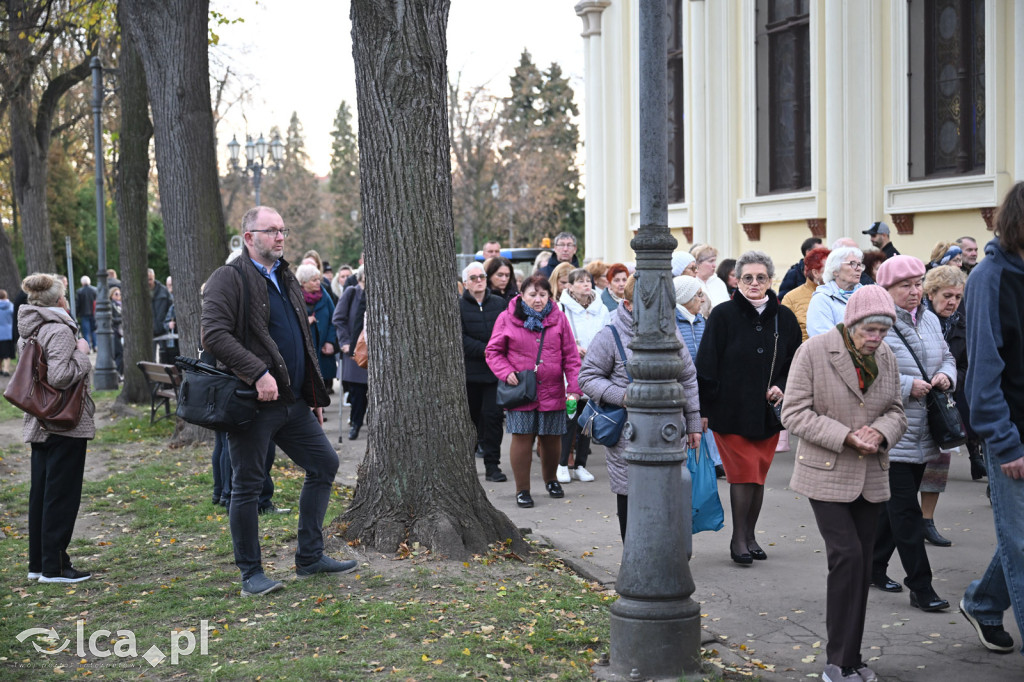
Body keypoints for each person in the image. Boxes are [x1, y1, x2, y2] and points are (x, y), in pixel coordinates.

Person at [202, 206, 353, 597]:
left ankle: (309, 557)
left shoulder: (284, 275)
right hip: (252, 402)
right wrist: (256, 372)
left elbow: (301, 337)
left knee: (324, 463)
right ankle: (251, 573)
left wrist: (313, 392)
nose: (281, 237)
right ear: (249, 237)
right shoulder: (229, 278)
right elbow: (214, 335)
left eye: (283, 230)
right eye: (271, 231)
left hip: (292, 401)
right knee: (247, 486)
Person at [783, 285, 907, 682]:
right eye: (870, 330)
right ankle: (836, 662)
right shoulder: (814, 351)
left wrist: (881, 432)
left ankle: (851, 659)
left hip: (870, 476)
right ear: (850, 323)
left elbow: (896, 410)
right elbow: (794, 412)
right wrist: (845, 435)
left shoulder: (885, 356)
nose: (876, 339)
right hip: (825, 472)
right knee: (848, 557)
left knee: (861, 562)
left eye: (883, 331)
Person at [696, 251, 802, 565]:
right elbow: (707, 363)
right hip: (730, 412)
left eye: (761, 278)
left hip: (767, 415)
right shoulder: (723, 314)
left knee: (758, 476)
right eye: (747, 278)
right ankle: (738, 539)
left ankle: (750, 535)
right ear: (737, 280)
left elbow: (794, 361)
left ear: (771, 281)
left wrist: (781, 385)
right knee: (742, 475)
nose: (754, 283)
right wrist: (701, 410)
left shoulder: (784, 318)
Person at [580, 275, 702, 540]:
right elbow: (587, 378)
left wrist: (693, 423)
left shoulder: (672, 331)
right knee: (631, 493)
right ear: (629, 304)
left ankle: (668, 552)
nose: (659, 312)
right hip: (629, 433)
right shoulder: (610, 334)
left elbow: (688, 378)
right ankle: (634, 554)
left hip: (670, 430)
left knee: (669, 492)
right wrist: (624, 396)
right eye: (651, 305)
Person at [959, 181, 1024, 656]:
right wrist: (1006, 443)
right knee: (1022, 546)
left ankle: (983, 602)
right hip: (1013, 436)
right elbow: (982, 376)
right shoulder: (989, 278)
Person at [870, 255, 955, 612]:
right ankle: (921, 586)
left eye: (918, 284)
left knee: (896, 511)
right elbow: (865, 372)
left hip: (926, 433)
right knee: (906, 513)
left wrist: (946, 377)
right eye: (905, 285)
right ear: (886, 290)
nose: (914, 291)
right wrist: (908, 385)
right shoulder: (876, 323)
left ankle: (872, 567)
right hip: (893, 434)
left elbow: (948, 356)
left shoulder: (931, 319)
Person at [18, 273, 96, 583]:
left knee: (41, 495)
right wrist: (83, 354)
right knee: (60, 497)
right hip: (64, 423)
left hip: (39, 420)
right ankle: (55, 568)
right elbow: (62, 376)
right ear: (59, 300)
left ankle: (39, 564)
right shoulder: (59, 331)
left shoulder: (31, 328)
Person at [485, 275, 581, 509]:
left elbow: (571, 356)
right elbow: (493, 351)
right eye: (532, 295)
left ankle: (552, 480)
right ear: (521, 294)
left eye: (542, 295)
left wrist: (574, 388)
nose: (538, 300)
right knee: (522, 436)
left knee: (551, 438)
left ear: (549, 295)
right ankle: (523, 490)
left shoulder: (558, 318)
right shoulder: (506, 318)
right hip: (521, 387)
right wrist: (505, 371)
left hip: (552, 388)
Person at [918, 265, 976, 547]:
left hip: (946, 402)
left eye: (957, 296)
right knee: (908, 466)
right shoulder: (918, 320)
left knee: (938, 465)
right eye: (946, 295)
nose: (952, 302)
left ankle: (927, 521)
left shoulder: (963, 324)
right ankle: (902, 520)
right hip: (915, 400)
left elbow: (966, 365)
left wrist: (950, 378)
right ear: (931, 294)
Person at [556, 268, 610, 484]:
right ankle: (561, 464)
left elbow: (607, 334)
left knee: (588, 417)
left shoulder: (601, 308)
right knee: (570, 416)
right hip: (571, 369)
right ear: (569, 286)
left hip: (595, 367)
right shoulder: (561, 308)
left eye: (588, 281)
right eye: (580, 281)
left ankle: (581, 465)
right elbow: (556, 337)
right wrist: (572, 347)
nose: (586, 285)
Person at [459, 262, 508, 482]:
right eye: (474, 278)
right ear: (465, 283)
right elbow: (459, 338)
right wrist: (487, 350)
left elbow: (506, 331)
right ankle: (467, 467)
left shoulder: (499, 303)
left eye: (482, 276)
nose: (479, 281)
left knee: (493, 419)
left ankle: (492, 465)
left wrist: (494, 352)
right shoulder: (457, 307)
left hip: (494, 373)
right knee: (470, 421)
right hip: (470, 374)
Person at [674, 275, 724, 477]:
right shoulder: (672, 322)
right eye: (698, 295)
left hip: (700, 384)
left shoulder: (701, 321)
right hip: (680, 386)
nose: (702, 300)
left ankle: (712, 462)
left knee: (703, 422)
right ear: (685, 297)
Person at [334, 267, 368, 440]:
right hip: (355, 351)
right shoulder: (351, 293)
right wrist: (345, 343)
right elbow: (338, 318)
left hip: (371, 351)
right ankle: (355, 423)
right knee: (357, 392)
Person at [295, 264, 338, 396]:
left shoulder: (324, 295)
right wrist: (304, 321)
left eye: (318, 279)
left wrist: (330, 341)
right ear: (303, 282)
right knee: (307, 381)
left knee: (322, 382)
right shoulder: (295, 297)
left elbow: (334, 318)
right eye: (314, 280)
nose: (318, 282)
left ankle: (319, 410)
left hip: (323, 346)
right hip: (304, 349)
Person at [806, 247, 864, 338]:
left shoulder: (867, 296)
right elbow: (823, 337)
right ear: (835, 271)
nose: (859, 269)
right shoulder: (822, 299)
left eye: (859, 264)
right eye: (852, 264)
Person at [781, 246, 830, 342]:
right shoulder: (791, 298)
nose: (835, 273)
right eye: (829, 269)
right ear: (815, 273)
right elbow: (785, 333)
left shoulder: (840, 293)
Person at [692, 244, 731, 311]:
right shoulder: (691, 283)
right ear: (698, 263)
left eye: (714, 261)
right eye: (711, 261)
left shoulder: (719, 282)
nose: (714, 265)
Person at [148, 268, 174, 363]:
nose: (149, 282)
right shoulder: (142, 293)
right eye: (147, 279)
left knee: (164, 355)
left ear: (154, 278)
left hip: (162, 328)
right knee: (150, 357)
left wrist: (168, 322)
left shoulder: (163, 291)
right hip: (149, 330)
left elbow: (171, 307)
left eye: (150, 279)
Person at [74, 275, 97, 351]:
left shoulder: (80, 291)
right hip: (93, 313)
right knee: (94, 330)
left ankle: (88, 348)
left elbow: (78, 304)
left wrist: (75, 314)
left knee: (86, 332)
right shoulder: (95, 290)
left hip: (84, 314)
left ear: (82, 283)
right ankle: (95, 345)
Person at [109, 286, 124, 376]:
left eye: (119, 294)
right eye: (116, 294)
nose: (119, 295)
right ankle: (118, 374)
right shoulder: (112, 304)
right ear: (111, 295)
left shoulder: (119, 305)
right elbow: (111, 319)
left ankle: (119, 373)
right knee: (119, 353)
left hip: (120, 332)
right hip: (115, 332)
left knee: (120, 353)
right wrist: (121, 319)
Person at [0, 290, 13, 376]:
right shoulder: (11, 306)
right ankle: (6, 369)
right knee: (7, 353)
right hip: (8, 332)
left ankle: (0, 368)